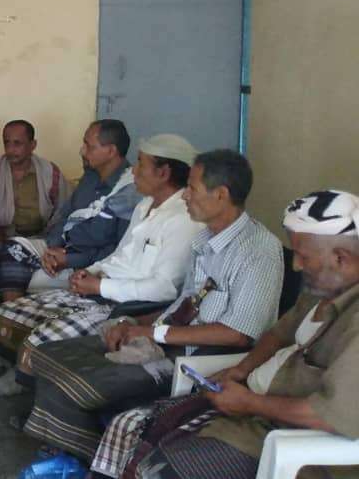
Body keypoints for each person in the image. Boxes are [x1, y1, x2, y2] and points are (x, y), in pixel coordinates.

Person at [21, 150, 284, 461]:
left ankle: (93, 459)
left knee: (78, 382)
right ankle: (83, 453)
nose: (185, 195)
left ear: (221, 195)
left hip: (197, 360)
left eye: (193, 188)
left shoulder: (258, 250)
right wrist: (136, 324)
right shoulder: (206, 240)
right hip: (164, 340)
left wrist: (153, 333)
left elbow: (237, 334)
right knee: (47, 356)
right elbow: (185, 304)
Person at [93, 190, 359, 479]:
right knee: (133, 426)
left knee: (161, 470)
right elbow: (278, 334)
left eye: (303, 256)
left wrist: (249, 402)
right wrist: (241, 370)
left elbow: (331, 415)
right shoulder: (322, 291)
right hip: (252, 407)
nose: (296, 265)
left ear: (341, 258)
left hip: (281, 436)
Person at [0, 134, 203, 396]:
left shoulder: (183, 219)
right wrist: (91, 272)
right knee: (8, 312)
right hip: (102, 288)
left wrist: (99, 286)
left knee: (40, 338)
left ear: (163, 172)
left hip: (127, 305)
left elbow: (164, 288)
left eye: (141, 164)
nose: (134, 171)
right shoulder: (144, 205)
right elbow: (120, 255)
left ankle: (31, 385)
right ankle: (24, 374)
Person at [0, 119, 140, 300]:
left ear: (110, 151)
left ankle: (15, 312)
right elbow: (65, 216)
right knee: (12, 250)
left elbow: (118, 250)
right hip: (62, 250)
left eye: (89, 146)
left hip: (90, 265)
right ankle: (12, 313)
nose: (82, 151)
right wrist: (54, 247)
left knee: (22, 275)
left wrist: (69, 259)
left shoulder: (129, 191)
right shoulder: (90, 177)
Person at [0, 120, 70, 294]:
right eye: (7, 143)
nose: (10, 150)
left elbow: (64, 214)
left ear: (32, 145)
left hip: (43, 243)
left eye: (17, 143)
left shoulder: (50, 173)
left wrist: (52, 244)